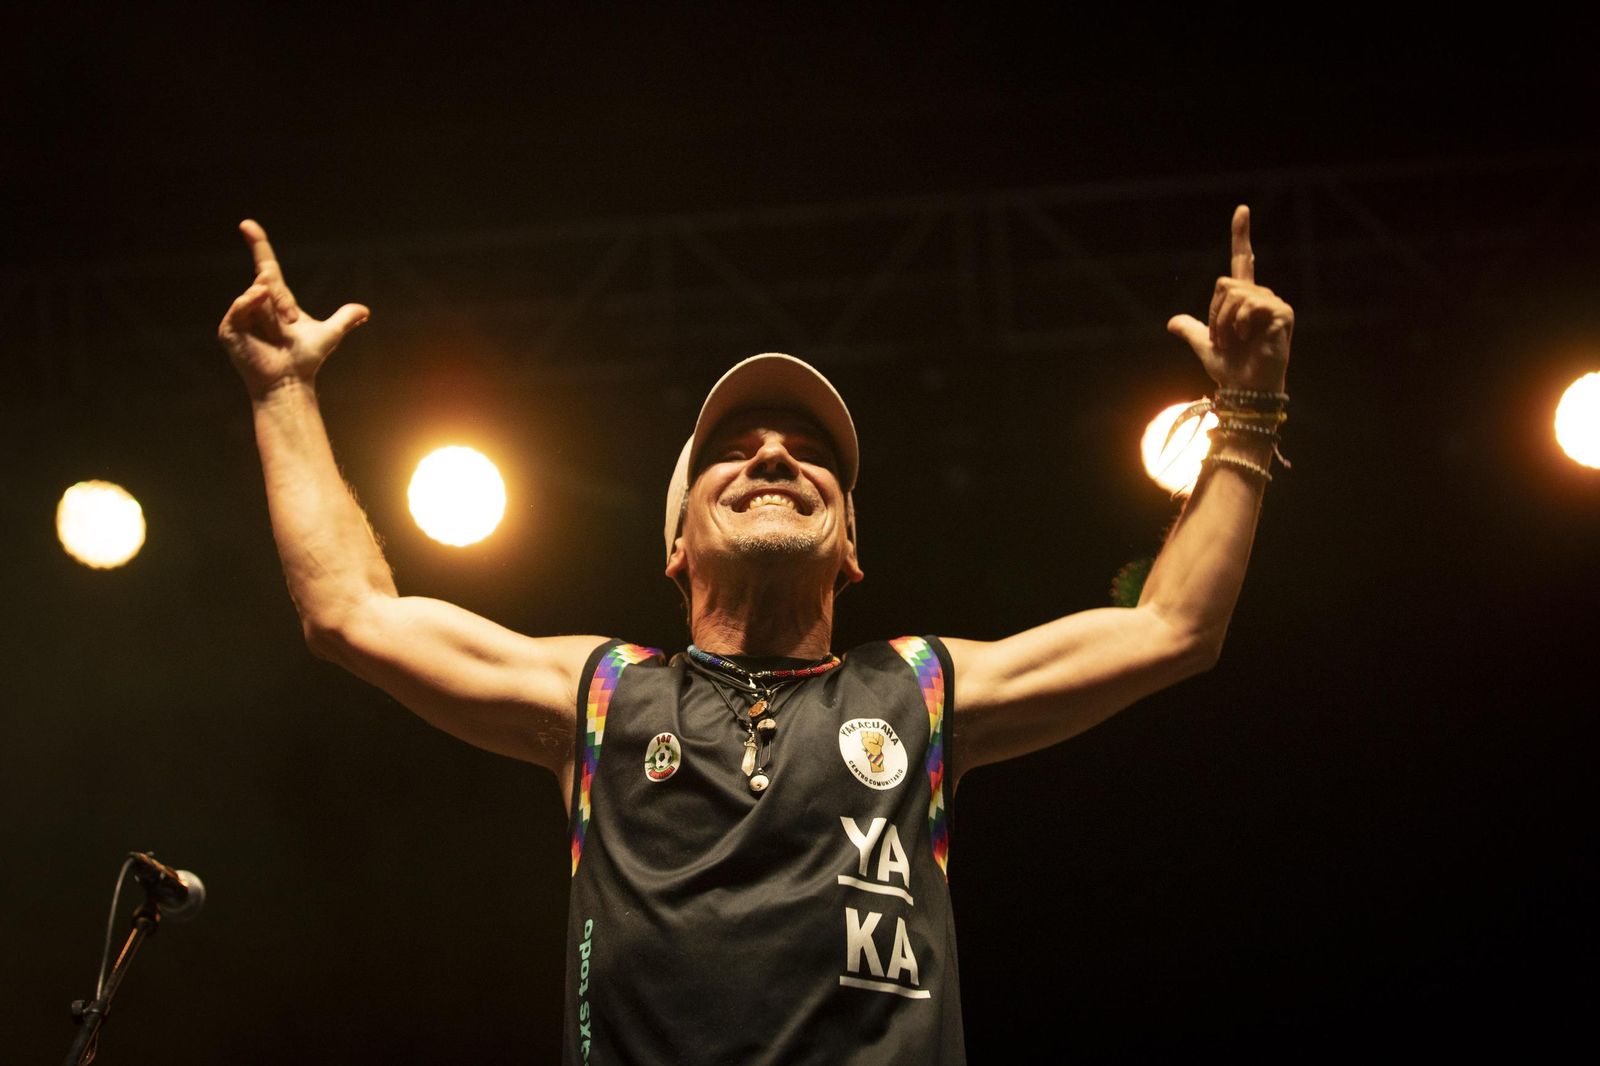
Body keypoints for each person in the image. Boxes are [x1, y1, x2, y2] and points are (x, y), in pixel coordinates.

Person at [218, 206, 1293, 1064]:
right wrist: (281, 395)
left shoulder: (916, 689)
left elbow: (1172, 625)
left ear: (851, 548)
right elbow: (350, 614)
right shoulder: (598, 693)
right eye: (735, 446)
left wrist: (1246, 410)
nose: (775, 456)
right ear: (677, 542)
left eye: (807, 450)